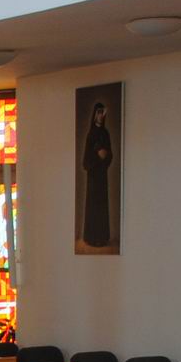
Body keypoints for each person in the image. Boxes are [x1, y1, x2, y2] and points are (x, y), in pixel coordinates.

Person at [81, 100, 115, 251]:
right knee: (93, 207)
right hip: (93, 176)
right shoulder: (91, 134)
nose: (101, 116)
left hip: (102, 175)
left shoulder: (105, 133)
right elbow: (86, 159)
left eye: (102, 113)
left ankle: (102, 237)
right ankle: (91, 237)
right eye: (98, 113)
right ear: (95, 115)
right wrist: (97, 155)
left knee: (101, 206)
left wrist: (105, 156)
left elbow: (109, 154)